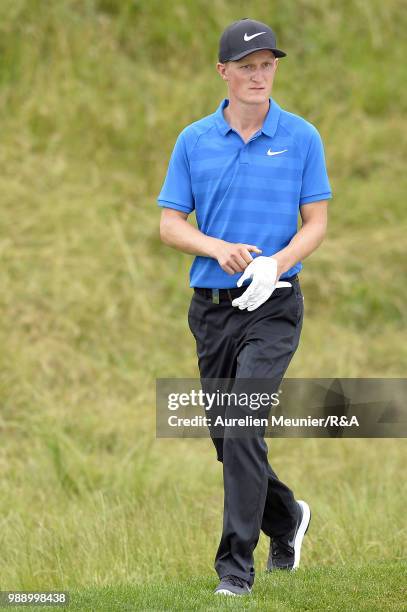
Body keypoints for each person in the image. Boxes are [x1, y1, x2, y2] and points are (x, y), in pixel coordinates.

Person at [157, 17, 332, 597]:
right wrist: (217, 248)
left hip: (275, 305)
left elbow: (317, 223)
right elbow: (169, 224)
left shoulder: (302, 137)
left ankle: (235, 571)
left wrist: (275, 262)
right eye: (248, 66)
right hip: (211, 308)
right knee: (225, 437)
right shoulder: (193, 140)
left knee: (243, 423)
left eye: (268, 65)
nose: (260, 76)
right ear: (224, 72)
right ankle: (287, 518)